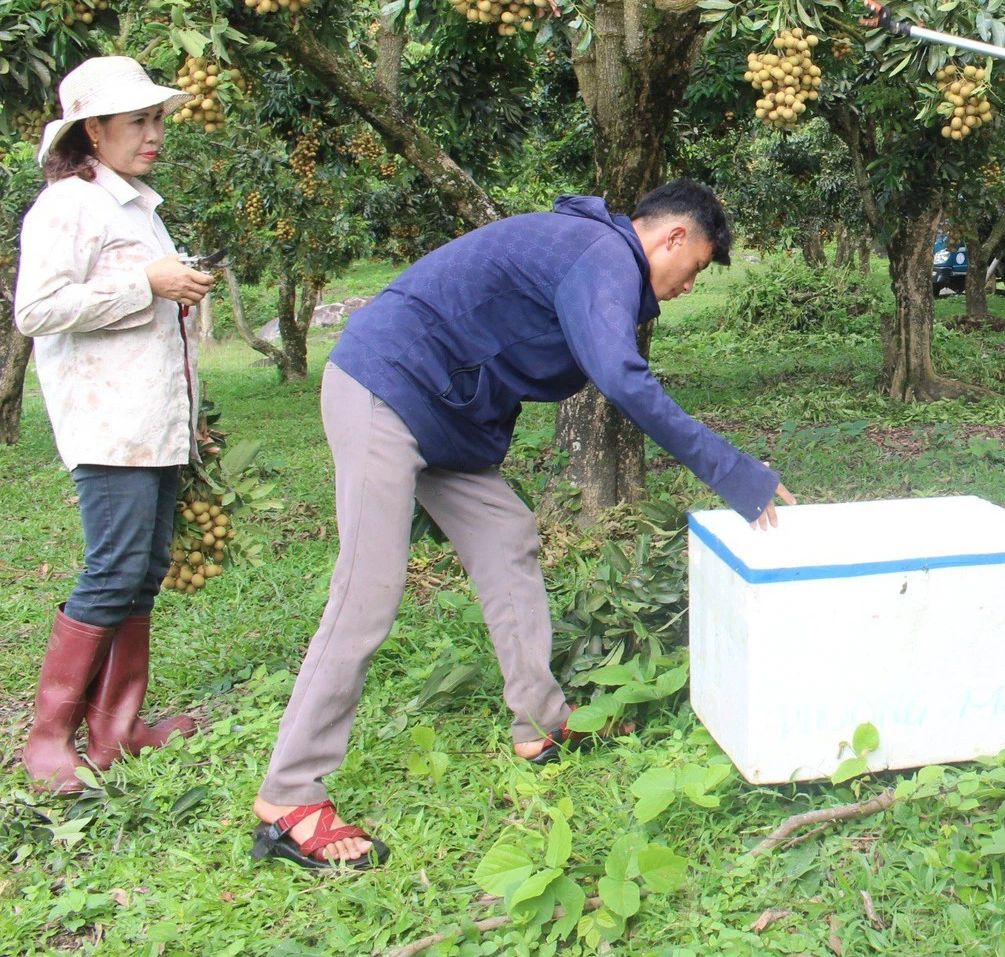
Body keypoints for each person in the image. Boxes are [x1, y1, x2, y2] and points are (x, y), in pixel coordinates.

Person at [251, 178, 793, 870]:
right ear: (671, 237)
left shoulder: (592, 254)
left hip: (444, 417)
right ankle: (289, 794)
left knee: (508, 536)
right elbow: (624, 381)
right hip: (385, 387)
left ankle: (540, 724)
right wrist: (736, 473)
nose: (685, 288)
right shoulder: (601, 254)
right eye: (690, 272)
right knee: (368, 592)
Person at [14, 56, 215, 793]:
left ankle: (117, 726)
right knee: (112, 571)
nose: (154, 132)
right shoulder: (69, 207)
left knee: (143, 571)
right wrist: (146, 284)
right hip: (109, 425)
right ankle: (47, 740)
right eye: (138, 121)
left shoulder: (136, 208)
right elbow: (35, 311)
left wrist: (174, 291)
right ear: (92, 131)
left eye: (158, 118)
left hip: (151, 420)